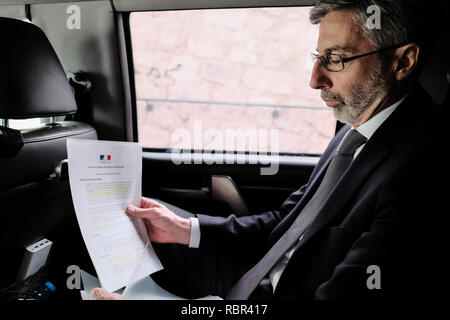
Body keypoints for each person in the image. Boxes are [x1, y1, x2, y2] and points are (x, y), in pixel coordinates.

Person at [90, 0, 446, 300]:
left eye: (336, 59)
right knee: (132, 223)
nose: (315, 79)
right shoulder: (355, 132)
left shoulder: (423, 165)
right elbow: (286, 223)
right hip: (256, 275)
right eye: (318, 57)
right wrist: (184, 229)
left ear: (403, 62)